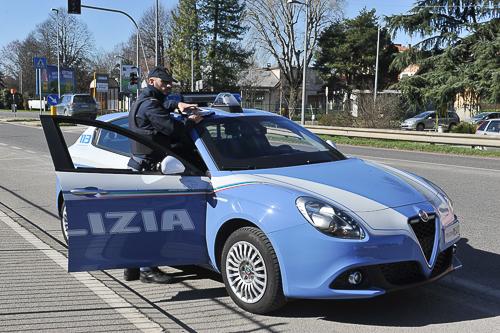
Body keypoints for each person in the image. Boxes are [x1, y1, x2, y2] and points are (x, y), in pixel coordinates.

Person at [124, 66, 202, 284]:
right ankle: (147, 269)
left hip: (142, 166)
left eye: (170, 83)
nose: (168, 86)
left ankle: (132, 266)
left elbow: (160, 104)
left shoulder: (145, 101)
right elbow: (173, 129)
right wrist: (191, 121)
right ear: (151, 81)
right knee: (154, 221)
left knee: (140, 222)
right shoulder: (150, 106)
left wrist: (177, 104)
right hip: (149, 171)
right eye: (164, 82)